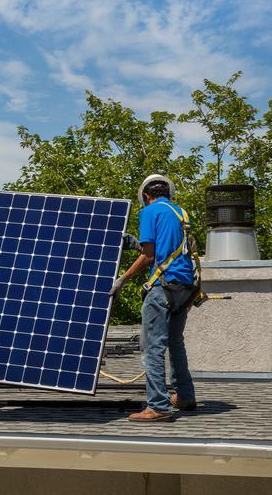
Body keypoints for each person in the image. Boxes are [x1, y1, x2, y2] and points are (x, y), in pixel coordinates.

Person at [111, 174, 197, 422]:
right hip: (185, 286)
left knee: (152, 347)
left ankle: (158, 406)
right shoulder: (180, 213)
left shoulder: (149, 212)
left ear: (146, 196)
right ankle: (185, 395)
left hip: (162, 286)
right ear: (168, 194)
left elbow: (150, 257)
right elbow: (165, 248)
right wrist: (134, 243)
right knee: (175, 342)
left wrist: (123, 279)